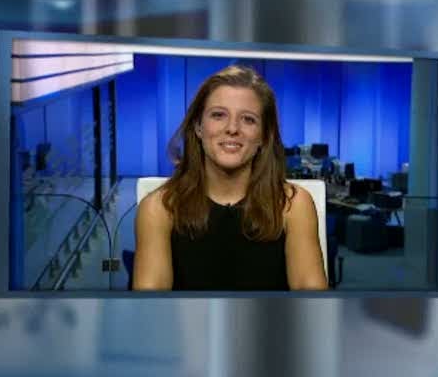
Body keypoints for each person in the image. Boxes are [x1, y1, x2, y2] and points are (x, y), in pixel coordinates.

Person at [133, 65, 328, 291]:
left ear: (264, 136)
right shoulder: (159, 208)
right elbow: (151, 307)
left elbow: (312, 304)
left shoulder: (293, 205)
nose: (232, 128)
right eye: (218, 115)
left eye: (248, 119)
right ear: (198, 127)